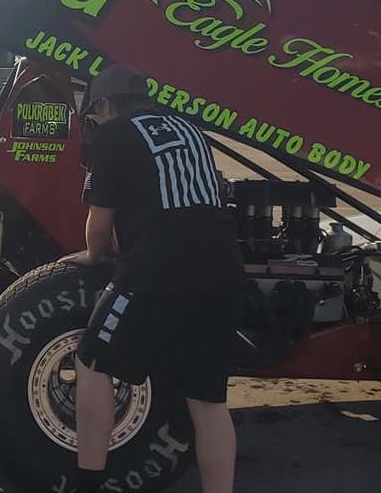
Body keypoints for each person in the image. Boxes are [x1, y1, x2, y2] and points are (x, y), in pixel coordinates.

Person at [61, 65, 244, 493]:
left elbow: (100, 223)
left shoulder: (114, 134)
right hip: (222, 266)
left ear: (104, 105)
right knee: (208, 400)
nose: (93, 124)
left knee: (92, 362)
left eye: (92, 115)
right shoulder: (190, 129)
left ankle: (88, 482)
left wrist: (92, 255)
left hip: (159, 266)